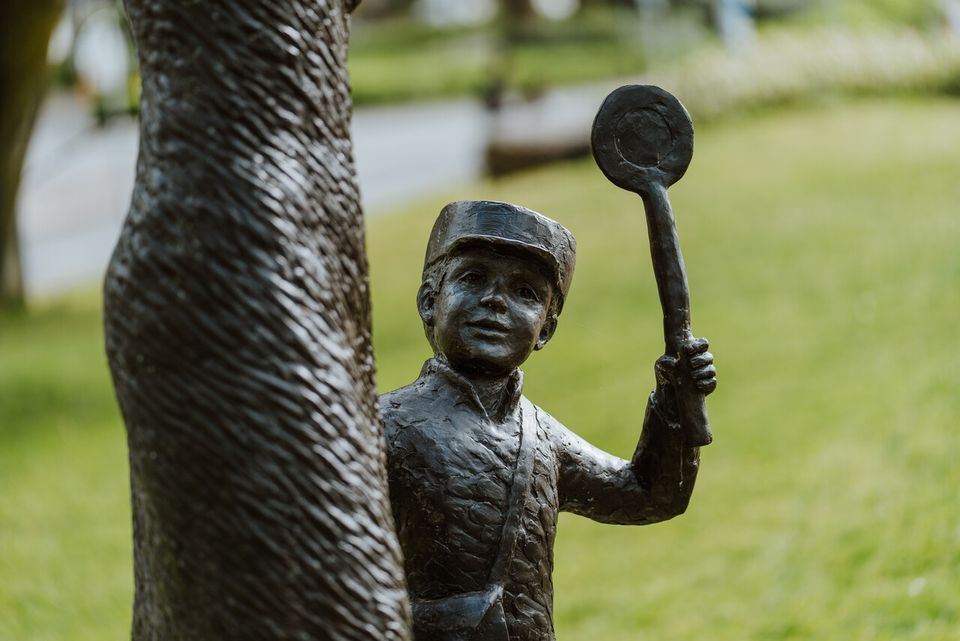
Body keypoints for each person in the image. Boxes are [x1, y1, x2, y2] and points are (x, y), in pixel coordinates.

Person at [381, 200, 717, 641]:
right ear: (430, 301)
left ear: (546, 329)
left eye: (525, 293)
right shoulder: (382, 425)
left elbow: (649, 495)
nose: (495, 302)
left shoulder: (542, 438)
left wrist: (676, 402)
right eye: (472, 278)